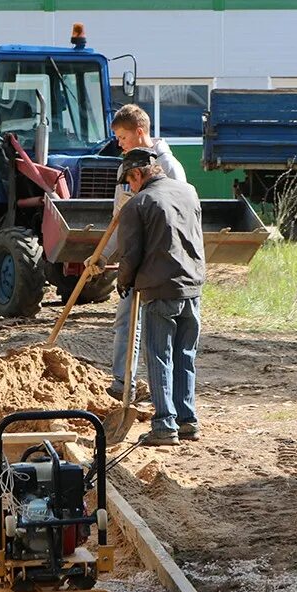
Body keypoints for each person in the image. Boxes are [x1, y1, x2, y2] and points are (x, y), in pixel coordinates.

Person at [115, 147, 206, 447]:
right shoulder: (190, 192)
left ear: (137, 174)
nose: (131, 187)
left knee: (158, 356)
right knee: (185, 355)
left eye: (130, 181)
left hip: (159, 290)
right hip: (192, 288)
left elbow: (130, 255)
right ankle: (187, 421)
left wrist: (123, 282)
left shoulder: (138, 204)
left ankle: (165, 425)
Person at [106, 103, 189, 402]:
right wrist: (104, 256)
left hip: (160, 261)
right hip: (134, 256)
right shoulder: (125, 167)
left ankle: (165, 399)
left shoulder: (170, 167)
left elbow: (181, 216)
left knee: (161, 333)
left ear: (140, 132)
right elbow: (119, 217)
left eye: (123, 137)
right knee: (125, 320)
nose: (119, 143)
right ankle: (121, 381)